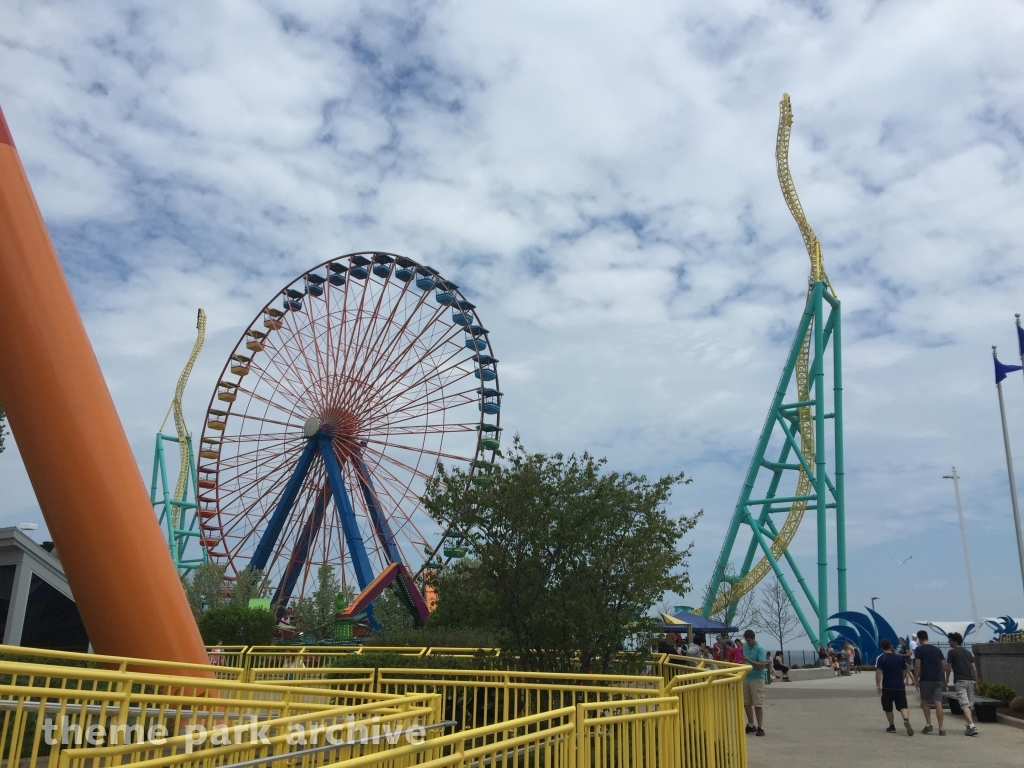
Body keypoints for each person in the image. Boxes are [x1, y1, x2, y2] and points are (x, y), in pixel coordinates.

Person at [875, 638, 914, 736]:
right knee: (903, 705)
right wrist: (903, 679)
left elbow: (879, 672)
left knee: (888, 707)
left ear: (882, 647)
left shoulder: (881, 658)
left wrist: (877, 684)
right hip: (899, 686)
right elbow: (906, 669)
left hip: (888, 686)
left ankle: (892, 726)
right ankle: (906, 719)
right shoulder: (899, 657)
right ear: (891, 646)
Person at [944, 632, 980, 736]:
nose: (949, 642)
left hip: (960, 681)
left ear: (955, 642)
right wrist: (976, 683)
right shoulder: (968, 653)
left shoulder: (951, 652)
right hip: (970, 680)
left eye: (950, 640)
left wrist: (946, 679)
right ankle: (969, 725)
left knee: (964, 704)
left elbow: (948, 667)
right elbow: (974, 668)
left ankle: (972, 726)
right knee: (970, 704)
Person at [912, 629, 946, 735]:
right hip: (937, 678)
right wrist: (939, 673)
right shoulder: (937, 650)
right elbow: (944, 665)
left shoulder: (919, 650)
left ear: (920, 638)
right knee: (938, 703)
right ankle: (941, 728)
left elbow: (917, 665)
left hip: (926, 679)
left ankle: (929, 724)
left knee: (925, 701)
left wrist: (916, 679)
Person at [741, 629, 769, 736]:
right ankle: (751, 724)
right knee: (746, 702)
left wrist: (749, 661)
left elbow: (762, 664)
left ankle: (760, 726)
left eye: (749, 640)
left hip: (757, 678)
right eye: (746, 641)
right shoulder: (745, 646)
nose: (748, 643)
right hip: (747, 677)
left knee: (757, 703)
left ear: (753, 639)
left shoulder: (760, 649)